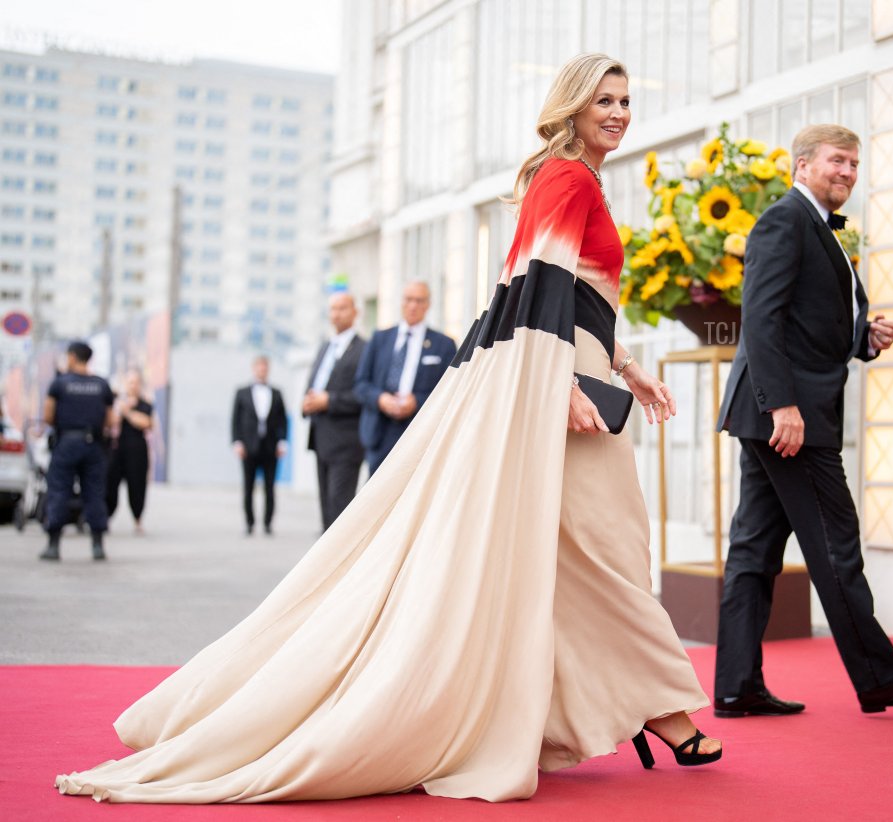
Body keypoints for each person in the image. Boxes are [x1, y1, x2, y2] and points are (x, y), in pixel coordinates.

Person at [55, 53, 719, 806]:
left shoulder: (572, 180)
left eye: (626, 100)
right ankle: (661, 708)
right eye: (604, 99)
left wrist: (626, 367)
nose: (620, 112)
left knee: (574, 549)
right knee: (604, 545)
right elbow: (538, 290)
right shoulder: (566, 178)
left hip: (566, 369)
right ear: (569, 107)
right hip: (554, 380)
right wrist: (564, 381)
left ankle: (597, 707)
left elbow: (571, 297)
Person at [713, 124, 893, 717]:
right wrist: (783, 406)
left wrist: (861, 337)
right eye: (837, 161)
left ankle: (735, 687)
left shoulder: (821, 227)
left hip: (779, 411)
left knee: (754, 550)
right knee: (836, 546)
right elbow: (762, 321)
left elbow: (802, 322)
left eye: (854, 164)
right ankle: (879, 679)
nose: (848, 172)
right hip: (788, 418)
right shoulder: (784, 220)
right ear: (802, 166)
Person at [354, 281, 456, 475]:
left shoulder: (443, 345)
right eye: (409, 300)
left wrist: (416, 401)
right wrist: (381, 399)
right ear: (401, 302)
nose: (413, 306)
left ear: (428, 305)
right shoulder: (379, 339)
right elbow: (361, 384)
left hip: (419, 433)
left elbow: (450, 392)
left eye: (419, 301)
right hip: (380, 431)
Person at [39, 341, 115, 561]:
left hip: (67, 443)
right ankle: (98, 546)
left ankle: (53, 546)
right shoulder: (101, 385)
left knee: (59, 491)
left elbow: (48, 417)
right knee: (94, 494)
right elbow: (110, 420)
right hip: (94, 445)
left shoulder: (60, 384)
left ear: (72, 357)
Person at [302, 293, 366, 530]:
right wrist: (306, 402)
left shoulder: (363, 349)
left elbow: (362, 393)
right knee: (326, 507)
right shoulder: (324, 347)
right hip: (320, 438)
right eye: (332, 309)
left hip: (347, 441)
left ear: (355, 312)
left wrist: (329, 401)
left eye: (342, 308)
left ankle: (340, 563)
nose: (336, 313)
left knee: (340, 507)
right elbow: (314, 383)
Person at [230, 356, 288, 536]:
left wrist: (282, 441)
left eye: (265, 367)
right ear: (254, 368)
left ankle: (268, 523)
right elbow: (235, 420)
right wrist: (237, 442)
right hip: (249, 447)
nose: (262, 370)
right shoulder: (242, 392)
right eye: (259, 367)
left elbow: (282, 420)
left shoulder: (277, 393)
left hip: (270, 447)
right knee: (248, 487)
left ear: (268, 369)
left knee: (270, 488)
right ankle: (249, 523)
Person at [105, 369, 154, 535]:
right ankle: (106, 517)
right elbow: (111, 422)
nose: (133, 386)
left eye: (136, 382)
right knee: (111, 484)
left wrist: (128, 412)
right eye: (130, 382)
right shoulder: (116, 402)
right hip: (118, 449)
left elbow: (146, 423)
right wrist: (121, 409)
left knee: (137, 485)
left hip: (137, 450)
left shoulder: (145, 404)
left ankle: (138, 519)